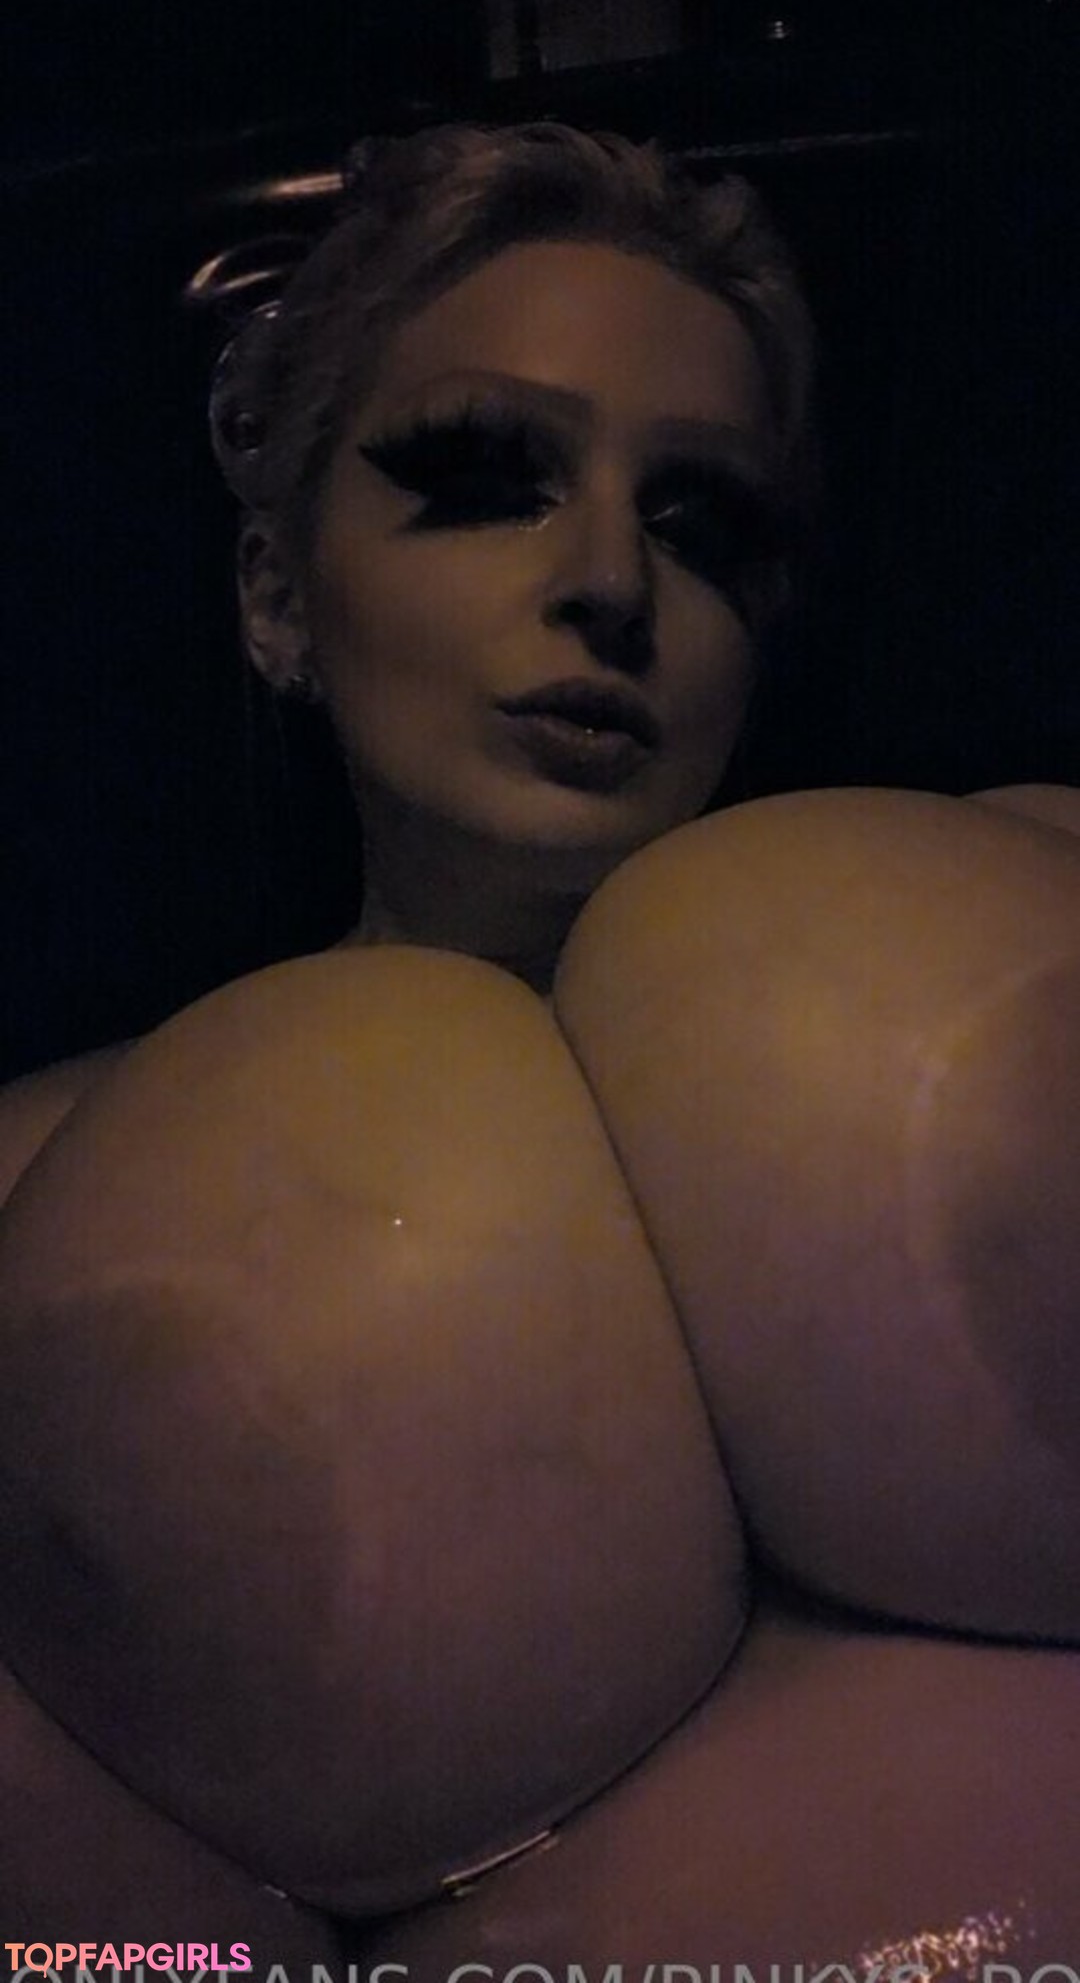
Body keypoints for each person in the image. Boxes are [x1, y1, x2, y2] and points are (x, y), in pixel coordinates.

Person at [0, 122, 1076, 1955]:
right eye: (487, 476)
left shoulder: (1035, 898)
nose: (608, 583)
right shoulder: (33, 1201)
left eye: (701, 524)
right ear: (278, 596)